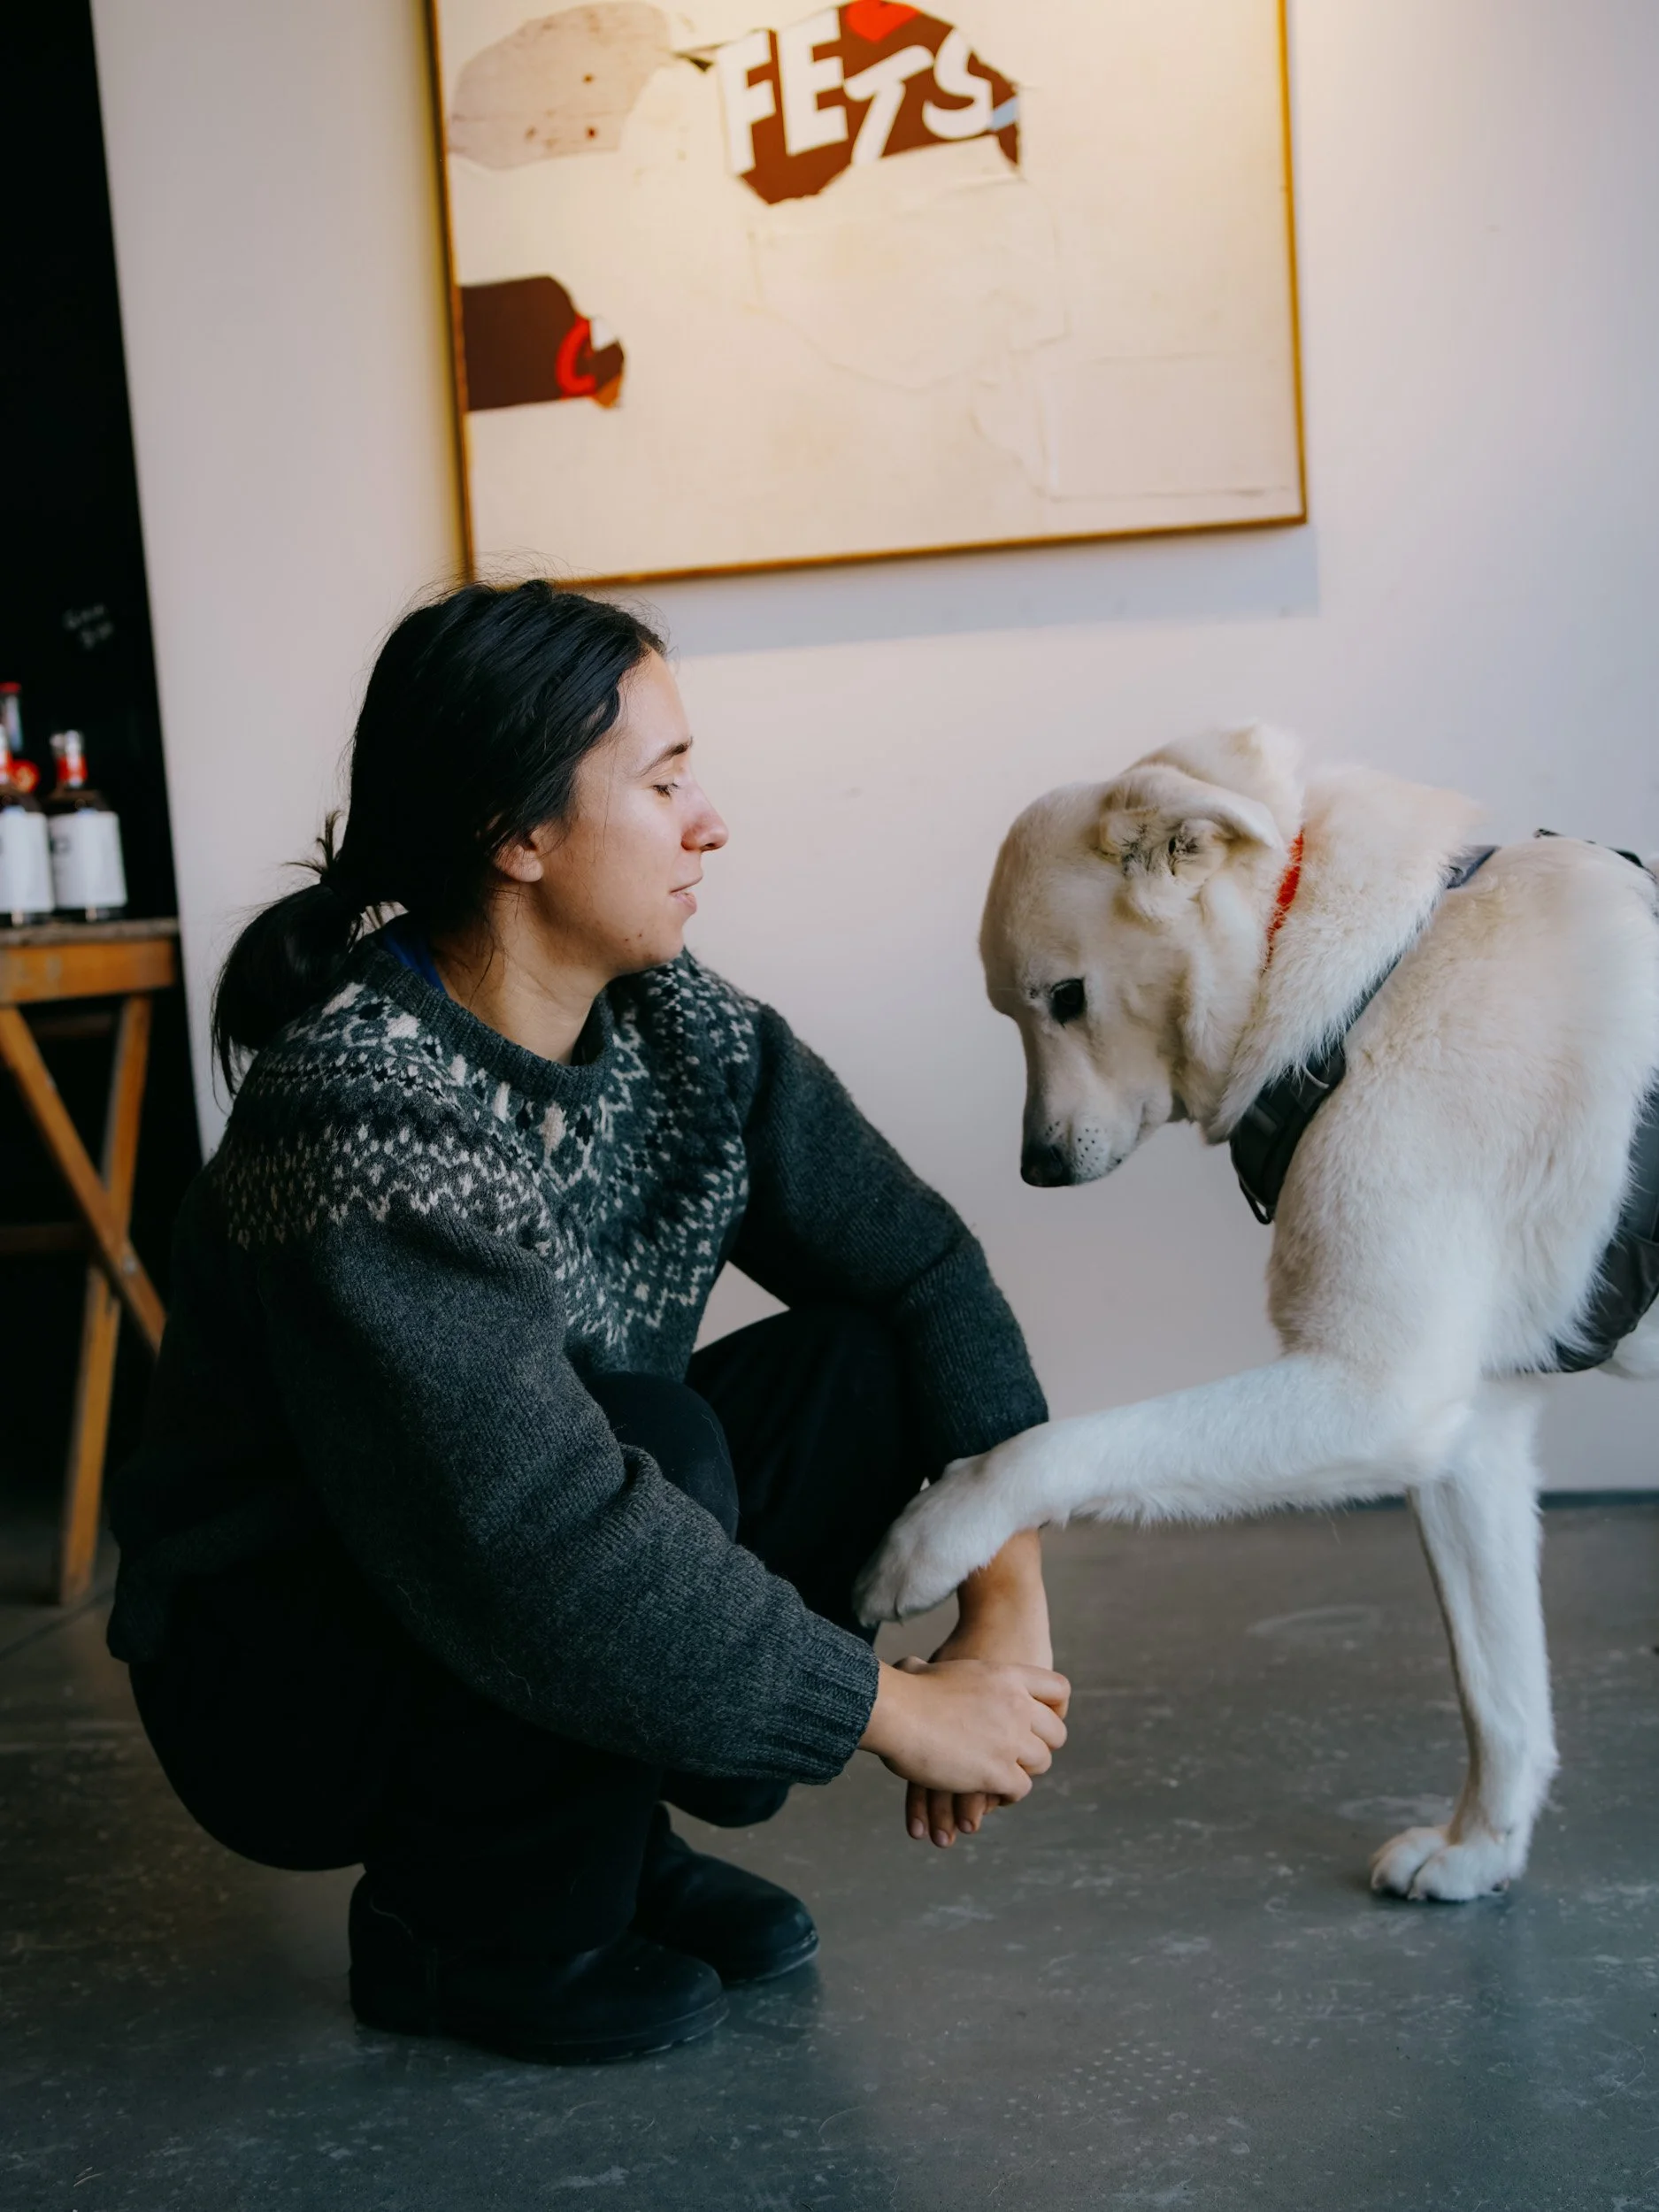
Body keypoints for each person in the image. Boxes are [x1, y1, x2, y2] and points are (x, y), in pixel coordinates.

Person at [107, 580, 1068, 2066]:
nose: (710, 822)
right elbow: (531, 1536)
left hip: (515, 1571)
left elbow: (919, 1268)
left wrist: (1003, 1605)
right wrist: (891, 1707)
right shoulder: (366, 1107)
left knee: (854, 1367)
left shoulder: (684, 1029)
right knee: (643, 1444)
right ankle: (465, 1925)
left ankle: (601, 1850)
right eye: (664, 782)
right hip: (283, 1677)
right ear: (519, 833)